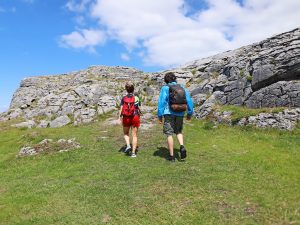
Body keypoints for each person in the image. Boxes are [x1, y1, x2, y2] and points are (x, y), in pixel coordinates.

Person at [157, 72, 194, 161]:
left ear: (166, 80)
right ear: (175, 79)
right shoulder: (182, 88)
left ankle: (172, 156)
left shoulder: (165, 88)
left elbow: (162, 102)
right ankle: (181, 146)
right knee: (179, 131)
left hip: (168, 113)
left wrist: (159, 115)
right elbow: (189, 100)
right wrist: (189, 113)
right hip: (180, 113)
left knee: (169, 134)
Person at [118, 82, 141, 158]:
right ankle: (133, 153)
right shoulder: (137, 98)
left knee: (126, 133)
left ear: (126, 89)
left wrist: (119, 117)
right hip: (135, 116)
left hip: (126, 117)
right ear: (133, 89)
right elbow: (139, 107)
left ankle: (128, 145)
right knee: (134, 135)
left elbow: (121, 109)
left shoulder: (124, 98)